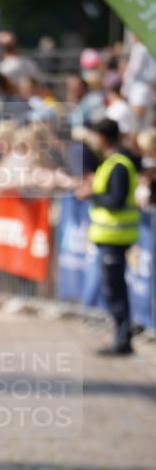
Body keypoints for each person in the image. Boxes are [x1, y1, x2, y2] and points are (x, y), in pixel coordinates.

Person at [77, 118, 140, 355]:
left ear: (102, 137)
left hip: (116, 238)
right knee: (113, 289)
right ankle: (121, 337)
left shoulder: (119, 165)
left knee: (115, 290)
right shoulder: (112, 162)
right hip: (110, 238)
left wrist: (92, 194)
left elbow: (116, 200)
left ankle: (123, 340)